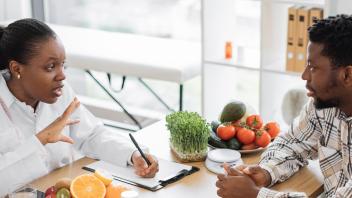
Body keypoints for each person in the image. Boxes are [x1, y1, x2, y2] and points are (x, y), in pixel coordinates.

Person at [0, 18, 159, 195]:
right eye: (51, 67)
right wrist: (41, 140)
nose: (62, 76)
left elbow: (91, 135)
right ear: (16, 69)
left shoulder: (59, 91)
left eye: (63, 65)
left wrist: (133, 155)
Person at [216, 14, 352, 198]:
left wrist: (255, 195)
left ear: (347, 75)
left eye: (313, 67)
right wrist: (266, 173)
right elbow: (292, 143)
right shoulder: (325, 106)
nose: (304, 75)